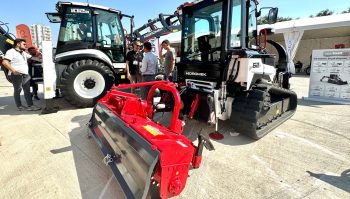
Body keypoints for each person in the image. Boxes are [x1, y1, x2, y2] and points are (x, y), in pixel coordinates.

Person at [1, 39, 41, 111]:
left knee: (27, 91)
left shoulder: (23, 52)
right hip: (16, 75)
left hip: (25, 74)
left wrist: (44, 60)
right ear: (18, 44)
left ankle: (30, 106)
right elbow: (4, 62)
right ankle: (19, 106)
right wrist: (14, 71)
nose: (26, 45)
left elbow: (33, 57)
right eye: (24, 44)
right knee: (18, 90)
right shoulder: (11, 52)